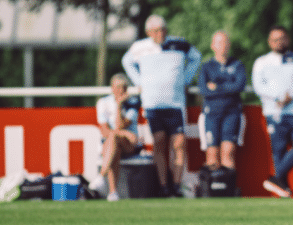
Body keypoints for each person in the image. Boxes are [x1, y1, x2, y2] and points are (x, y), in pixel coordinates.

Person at [122, 14, 202, 197]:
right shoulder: (140, 47)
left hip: (175, 102)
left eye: (163, 29)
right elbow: (126, 62)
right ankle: (163, 185)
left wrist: (186, 78)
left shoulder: (179, 44)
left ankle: (176, 185)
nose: (161, 33)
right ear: (149, 32)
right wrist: (138, 81)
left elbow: (196, 57)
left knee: (179, 143)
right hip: (153, 103)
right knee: (159, 141)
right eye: (157, 30)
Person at [251, 25, 293, 198]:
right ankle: (283, 188)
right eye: (275, 39)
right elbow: (258, 86)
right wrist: (278, 97)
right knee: (278, 150)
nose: (279, 42)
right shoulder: (262, 62)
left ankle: (276, 178)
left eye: (282, 38)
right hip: (274, 111)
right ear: (269, 42)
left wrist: (291, 95)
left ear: (288, 39)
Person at [198, 30, 246, 194]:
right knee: (212, 153)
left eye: (225, 42)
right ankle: (211, 192)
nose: (222, 46)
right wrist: (228, 87)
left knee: (228, 151)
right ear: (213, 46)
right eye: (219, 42)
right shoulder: (206, 67)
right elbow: (204, 89)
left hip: (232, 113)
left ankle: (228, 191)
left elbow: (238, 86)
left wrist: (217, 87)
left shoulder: (237, 65)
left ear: (229, 45)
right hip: (211, 114)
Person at [92, 73, 142, 201]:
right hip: (115, 141)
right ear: (112, 88)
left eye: (124, 87)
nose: (121, 90)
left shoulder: (133, 102)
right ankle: (113, 193)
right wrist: (124, 133)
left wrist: (119, 105)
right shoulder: (103, 102)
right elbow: (104, 130)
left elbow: (120, 125)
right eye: (118, 87)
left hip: (129, 145)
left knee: (113, 140)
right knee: (114, 144)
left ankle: (101, 178)